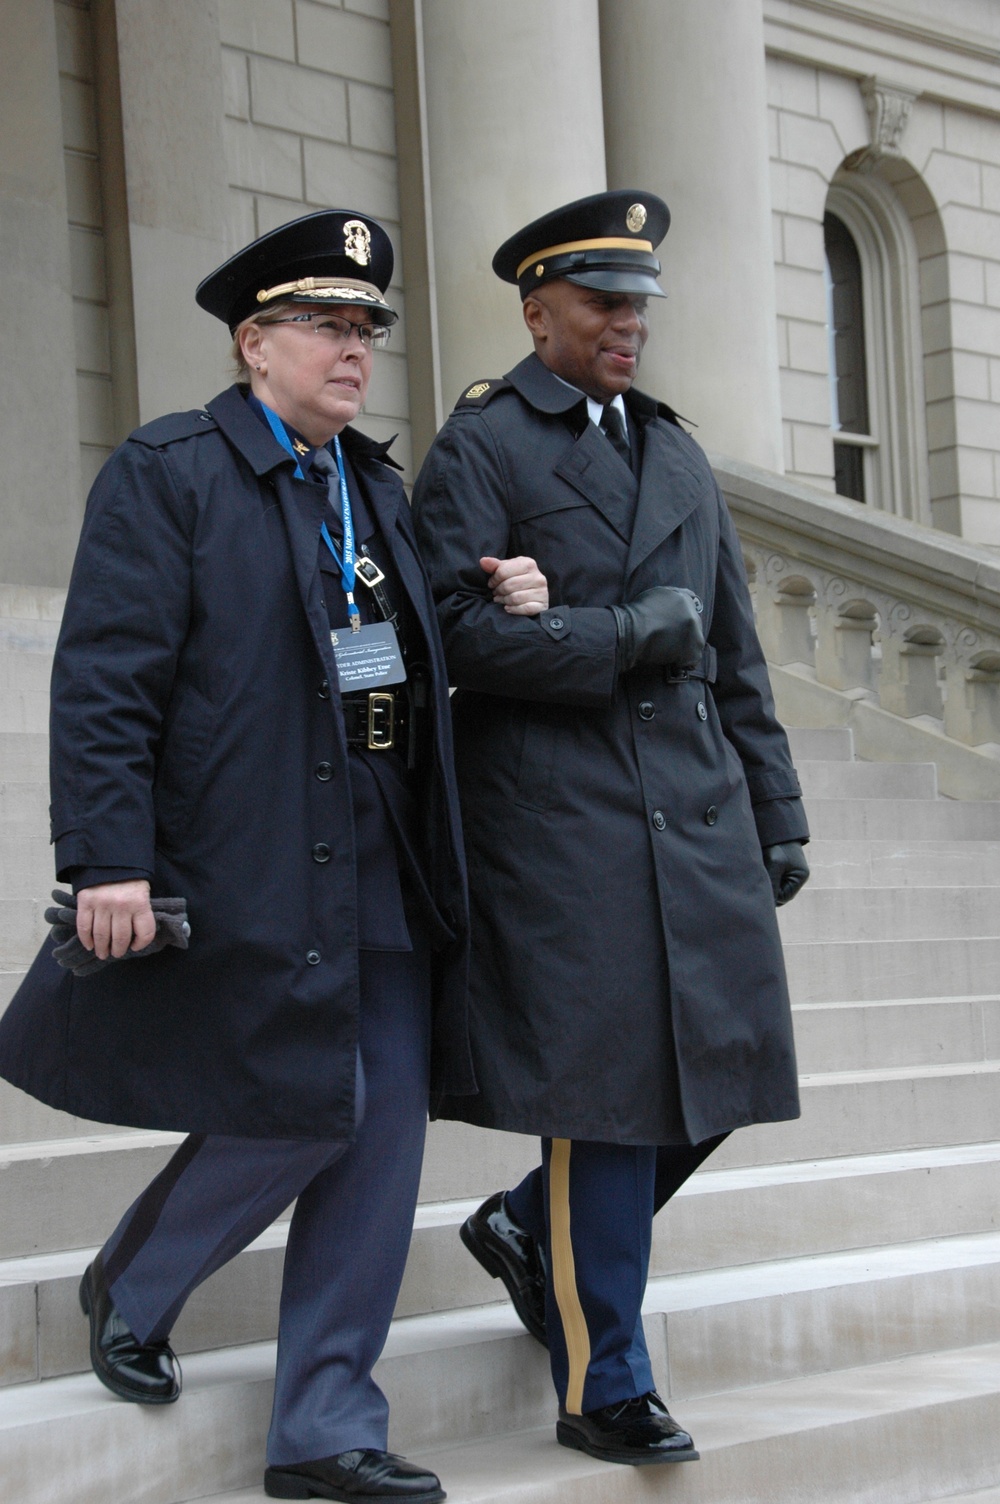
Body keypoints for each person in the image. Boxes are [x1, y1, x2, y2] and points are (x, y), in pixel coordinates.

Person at [0, 209, 542, 1503]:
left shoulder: (376, 485)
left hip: (390, 860)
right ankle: (137, 1279)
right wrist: (106, 859)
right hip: (253, 856)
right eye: (326, 326)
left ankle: (323, 1430)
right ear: (255, 344)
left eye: (366, 330)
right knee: (305, 1107)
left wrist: (503, 596)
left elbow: (402, 650)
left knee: (379, 1135)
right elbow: (107, 685)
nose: (354, 351)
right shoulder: (170, 471)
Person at [411, 189, 811, 1468]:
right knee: (606, 1099)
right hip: (561, 818)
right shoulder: (483, 449)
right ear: (537, 313)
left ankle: (531, 1228)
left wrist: (776, 808)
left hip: (691, 808)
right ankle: (605, 1381)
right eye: (600, 300)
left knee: (722, 1066)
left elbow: (735, 650)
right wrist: (613, 638)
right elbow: (448, 636)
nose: (627, 321)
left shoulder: (680, 454)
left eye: (637, 302)